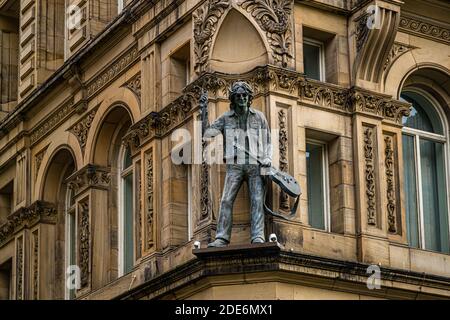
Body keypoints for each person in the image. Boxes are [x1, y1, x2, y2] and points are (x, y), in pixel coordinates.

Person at [203, 81, 272, 247]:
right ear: (233, 99)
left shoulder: (259, 117)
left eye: (244, 95)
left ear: (249, 98)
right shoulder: (226, 118)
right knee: (226, 200)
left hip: (255, 164)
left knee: (256, 199)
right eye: (238, 96)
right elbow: (208, 133)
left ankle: (258, 236)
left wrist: (268, 158)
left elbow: (268, 141)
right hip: (234, 164)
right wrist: (203, 114)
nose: (241, 98)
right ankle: (221, 237)